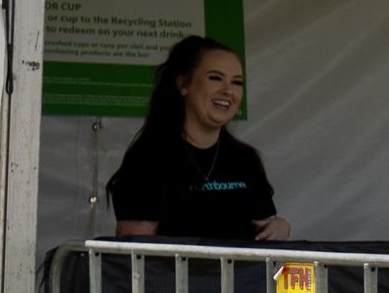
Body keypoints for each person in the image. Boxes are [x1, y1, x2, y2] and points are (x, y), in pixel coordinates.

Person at [105, 36, 289, 243]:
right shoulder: (148, 158)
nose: (228, 90)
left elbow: (264, 233)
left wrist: (280, 226)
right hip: (171, 276)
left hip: (239, 276)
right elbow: (135, 254)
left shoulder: (245, 159)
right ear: (183, 84)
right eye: (215, 78)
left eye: (236, 82)